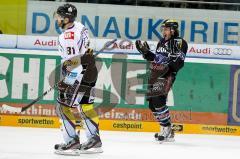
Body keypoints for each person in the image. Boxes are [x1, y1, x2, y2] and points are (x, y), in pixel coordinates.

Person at [53, 3, 102, 154]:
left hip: (79, 73)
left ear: (67, 19)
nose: (57, 19)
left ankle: (71, 142)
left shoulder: (66, 37)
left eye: (60, 17)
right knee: (85, 104)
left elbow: (75, 63)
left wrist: (67, 81)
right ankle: (94, 140)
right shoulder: (80, 26)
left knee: (63, 106)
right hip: (91, 70)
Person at [135, 19, 188, 143]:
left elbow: (179, 62)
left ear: (173, 30)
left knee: (159, 100)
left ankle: (167, 130)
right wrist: (146, 53)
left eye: (166, 28)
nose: (163, 30)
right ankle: (166, 128)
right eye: (163, 28)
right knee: (152, 104)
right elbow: (157, 59)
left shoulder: (180, 42)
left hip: (167, 75)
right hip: (155, 73)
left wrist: (168, 68)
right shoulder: (161, 42)